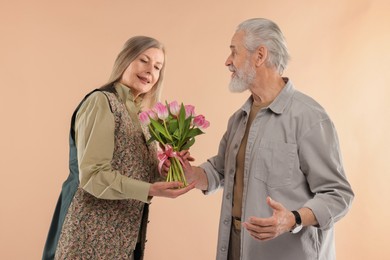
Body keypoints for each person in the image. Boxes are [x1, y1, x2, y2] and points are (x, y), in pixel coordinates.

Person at [182, 18, 354, 259]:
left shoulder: (309, 117)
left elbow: (338, 194)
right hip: (237, 248)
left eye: (234, 52)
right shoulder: (238, 119)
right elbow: (221, 171)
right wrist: (190, 175)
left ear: (259, 55)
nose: (227, 61)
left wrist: (292, 219)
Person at [42, 36, 195, 260]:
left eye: (157, 67)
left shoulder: (143, 117)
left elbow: (131, 169)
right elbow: (94, 175)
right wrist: (152, 190)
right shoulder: (102, 102)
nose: (150, 71)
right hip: (89, 234)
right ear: (125, 59)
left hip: (125, 237)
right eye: (143, 60)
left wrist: (163, 169)